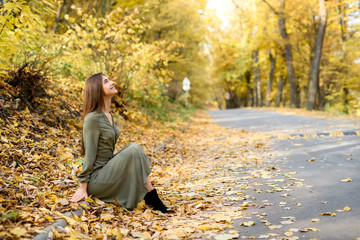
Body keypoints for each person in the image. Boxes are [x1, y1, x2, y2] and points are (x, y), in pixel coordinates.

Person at [70, 73, 168, 213]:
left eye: (110, 80)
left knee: (134, 148)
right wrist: (82, 186)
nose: (113, 82)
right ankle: (152, 197)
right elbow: (89, 155)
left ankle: (150, 196)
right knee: (134, 149)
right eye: (106, 81)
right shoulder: (92, 119)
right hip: (97, 180)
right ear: (97, 89)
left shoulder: (108, 115)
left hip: (108, 170)